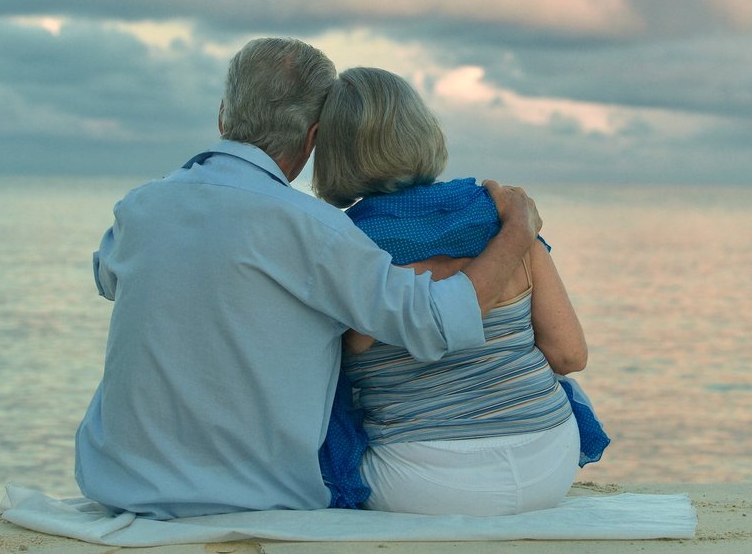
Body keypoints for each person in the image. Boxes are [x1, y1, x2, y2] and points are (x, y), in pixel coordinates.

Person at [74, 38, 543, 519]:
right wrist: (517, 231)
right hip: (254, 497)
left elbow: (108, 278)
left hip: (118, 485)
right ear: (313, 137)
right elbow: (434, 321)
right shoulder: (314, 229)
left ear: (222, 115)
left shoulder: (140, 207)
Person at [312, 67, 605, 516]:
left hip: (420, 482)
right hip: (548, 463)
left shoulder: (344, 242)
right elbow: (569, 356)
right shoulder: (507, 218)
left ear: (333, 153)